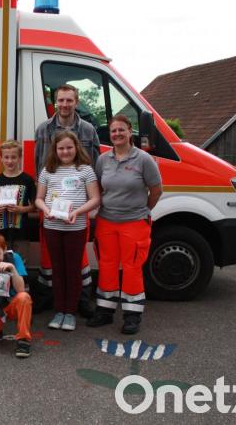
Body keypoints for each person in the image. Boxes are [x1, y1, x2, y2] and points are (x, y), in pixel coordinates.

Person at [88, 115, 162, 335]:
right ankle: (105, 311)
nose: (117, 134)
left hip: (134, 222)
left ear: (130, 132)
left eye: (121, 130)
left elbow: (156, 190)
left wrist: (142, 210)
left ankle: (132, 316)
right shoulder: (103, 160)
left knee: (131, 268)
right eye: (113, 131)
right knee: (107, 265)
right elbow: (99, 190)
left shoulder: (143, 159)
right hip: (106, 221)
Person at [33, 84, 101, 317]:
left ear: (76, 101)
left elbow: (95, 164)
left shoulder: (89, 130)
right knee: (48, 256)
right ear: (55, 102)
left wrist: (89, 205)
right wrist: (42, 204)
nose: (64, 104)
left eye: (69, 100)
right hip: (50, 206)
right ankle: (49, 298)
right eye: (60, 100)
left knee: (78, 257)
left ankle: (80, 301)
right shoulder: (43, 129)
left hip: (78, 209)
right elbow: (38, 165)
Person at [0, 140, 36, 252]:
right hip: (1, 230)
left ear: (19, 158)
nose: (9, 161)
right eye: (6, 157)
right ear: (1, 158)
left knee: (20, 260)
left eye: (13, 157)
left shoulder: (27, 180)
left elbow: (34, 206)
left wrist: (22, 209)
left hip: (22, 230)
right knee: (2, 259)